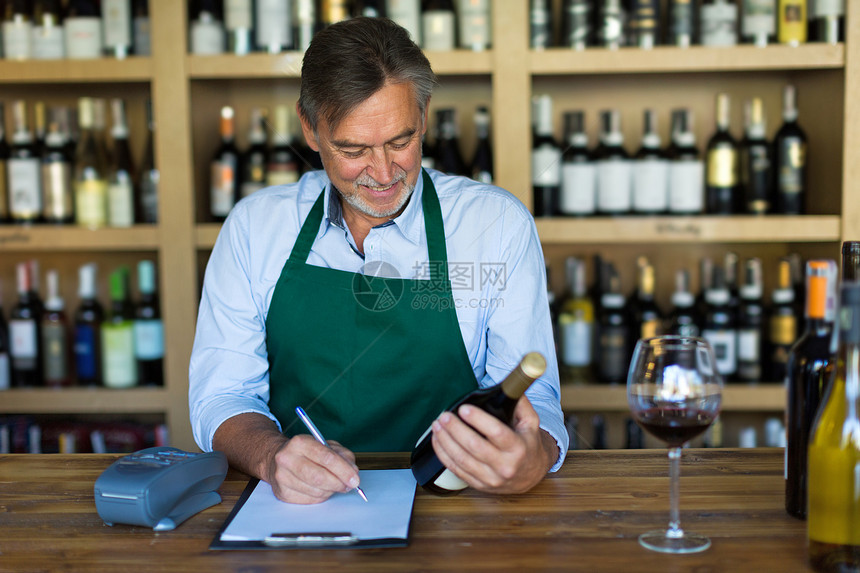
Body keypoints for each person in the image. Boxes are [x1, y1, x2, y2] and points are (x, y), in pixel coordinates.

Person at [189, 17, 568, 505]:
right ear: (310, 129)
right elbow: (221, 395)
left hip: (458, 505)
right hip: (303, 510)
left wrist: (530, 459)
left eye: (401, 141)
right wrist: (271, 456)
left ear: (425, 115)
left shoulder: (495, 225)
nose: (385, 173)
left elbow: (534, 400)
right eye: (353, 149)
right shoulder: (254, 228)